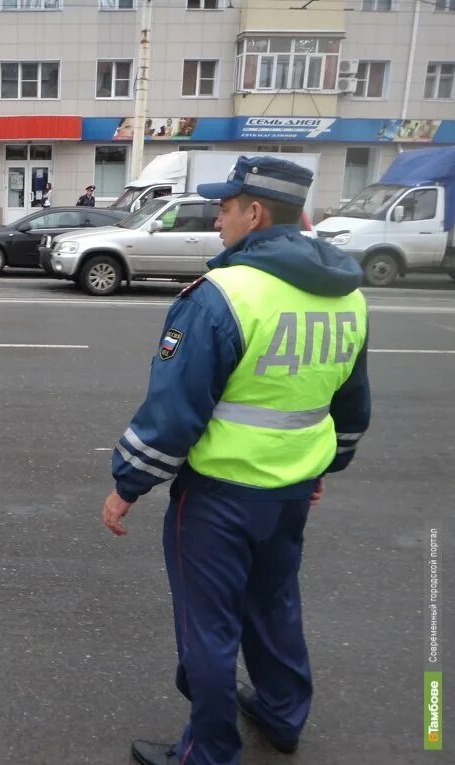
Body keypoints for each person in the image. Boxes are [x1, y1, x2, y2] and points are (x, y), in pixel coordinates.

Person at [100, 156, 371, 765]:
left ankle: (207, 752)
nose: (217, 220)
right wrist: (323, 469)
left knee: (209, 626)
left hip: (220, 495)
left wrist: (127, 486)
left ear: (255, 213)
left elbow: (173, 414)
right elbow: (349, 405)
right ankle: (281, 714)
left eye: (224, 209)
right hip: (293, 490)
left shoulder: (225, 293)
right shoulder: (348, 296)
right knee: (274, 605)